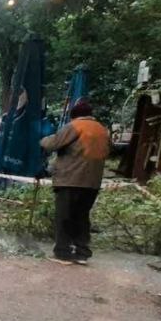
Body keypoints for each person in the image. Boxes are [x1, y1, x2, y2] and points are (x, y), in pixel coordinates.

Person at [40, 98, 111, 265]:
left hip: (70, 179)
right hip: (92, 182)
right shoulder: (102, 130)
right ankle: (82, 252)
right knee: (81, 217)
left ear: (75, 116)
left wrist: (42, 140)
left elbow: (53, 143)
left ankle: (63, 253)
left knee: (64, 217)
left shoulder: (76, 126)